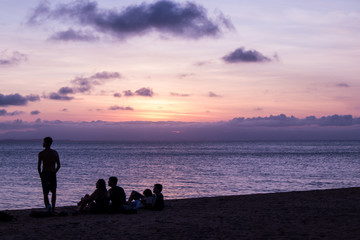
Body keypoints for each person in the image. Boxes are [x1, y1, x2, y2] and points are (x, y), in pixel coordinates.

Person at [38, 136, 60, 213]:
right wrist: (54, 172)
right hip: (52, 173)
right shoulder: (55, 153)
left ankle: (48, 207)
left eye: (43, 142)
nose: (43, 143)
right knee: (53, 192)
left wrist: (41, 175)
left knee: (45, 192)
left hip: (45, 173)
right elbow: (59, 165)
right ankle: (53, 208)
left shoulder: (41, 153)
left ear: (46, 143)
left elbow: (39, 167)